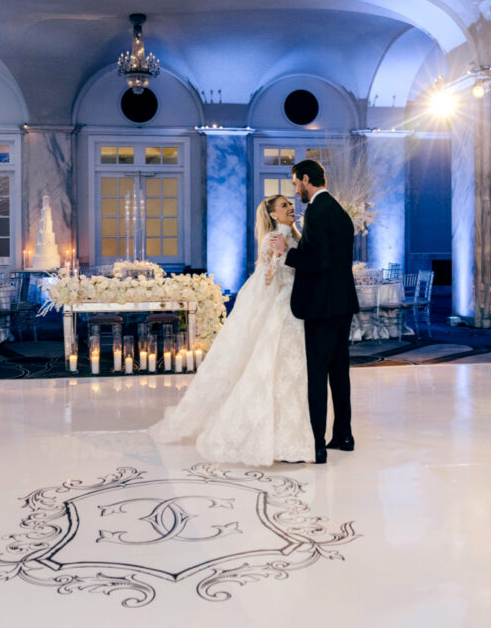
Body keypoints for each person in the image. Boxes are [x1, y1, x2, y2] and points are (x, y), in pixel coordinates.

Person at [150, 195, 317, 466]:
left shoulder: (297, 236)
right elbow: (269, 276)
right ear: (273, 215)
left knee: (294, 370)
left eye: (290, 204)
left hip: (298, 306)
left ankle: (294, 434)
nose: (291, 208)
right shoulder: (273, 239)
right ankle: (271, 437)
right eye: (284, 206)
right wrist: (279, 256)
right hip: (282, 307)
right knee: (273, 367)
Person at [268, 159, 359, 464]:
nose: (296, 190)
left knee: (317, 375)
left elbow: (319, 260)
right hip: (342, 303)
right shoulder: (338, 210)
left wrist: (287, 253)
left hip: (321, 306)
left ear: (307, 179)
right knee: (339, 373)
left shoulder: (317, 212)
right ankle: (344, 435)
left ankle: (317, 444)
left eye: (296, 184)